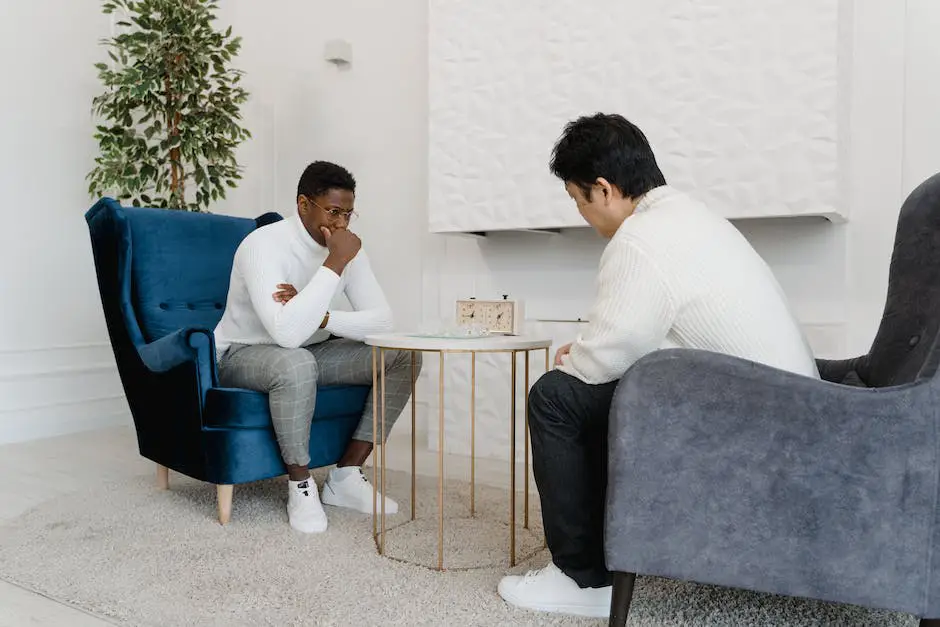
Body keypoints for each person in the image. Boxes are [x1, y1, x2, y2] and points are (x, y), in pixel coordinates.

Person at [496, 113, 820, 618]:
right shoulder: (692, 216)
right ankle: (606, 556)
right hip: (803, 412)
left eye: (578, 200)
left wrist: (578, 356)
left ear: (603, 189)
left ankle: (579, 579)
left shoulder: (640, 240)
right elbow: (652, 337)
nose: (583, 213)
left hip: (768, 426)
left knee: (555, 397)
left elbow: (611, 352)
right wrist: (590, 353)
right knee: (594, 390)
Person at [213, 160, 420, 533]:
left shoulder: (348, 247)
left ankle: (345, 477)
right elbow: (286, 336)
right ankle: (301, 485)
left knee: (402, 354)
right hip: (244, 354)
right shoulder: (263, 245)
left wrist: (322, 317)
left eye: (348, 213)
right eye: (334, 212)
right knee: (295, 363)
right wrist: (336, 262)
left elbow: (383, 321)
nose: (342, 223)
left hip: (313, 350)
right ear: (304, 204)